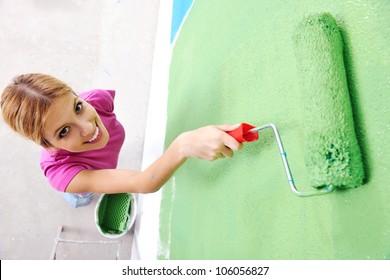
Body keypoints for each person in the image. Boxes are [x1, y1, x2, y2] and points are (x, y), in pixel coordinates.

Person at [1, 73, 242, 207]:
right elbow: (141, 183)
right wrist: (182, 146)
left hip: (100, 165)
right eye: (64, 131)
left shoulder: (97, 99)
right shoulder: (64, 175)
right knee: (81, 198)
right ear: (47, 145)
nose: (87, 128)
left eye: (77, 107)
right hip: (79, 184)